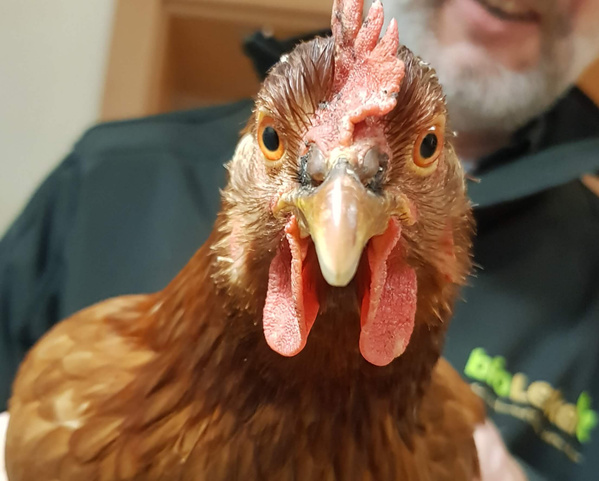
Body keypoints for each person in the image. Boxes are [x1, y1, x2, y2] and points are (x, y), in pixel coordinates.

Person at [0, 0, 598, 479]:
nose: (343, 196)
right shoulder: (104, 178)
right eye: (273, 142)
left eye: (422, 150)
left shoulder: (452, 449)